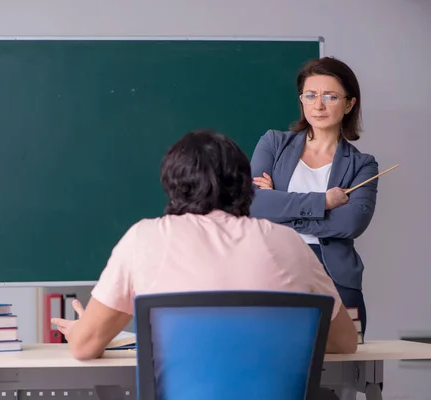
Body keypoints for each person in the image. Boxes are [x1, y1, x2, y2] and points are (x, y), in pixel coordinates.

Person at [52, 129, 357, 362]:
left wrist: (81, 331)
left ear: (171, 184)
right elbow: (345, 343)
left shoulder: (143, 239)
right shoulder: (286, 242)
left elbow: (84, 347)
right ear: (243, 183)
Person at [250, 57, 378, 336]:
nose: (318, 105)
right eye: (310, 95)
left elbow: (350, 224)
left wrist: (283, 211)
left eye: (330, 96)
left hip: (336, 278)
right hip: (272, 270)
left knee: (343, 370)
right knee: (275, 365)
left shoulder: (363, 165)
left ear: (349, 104)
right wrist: (324, 202)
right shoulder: (273, 143)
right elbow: (254, 204)